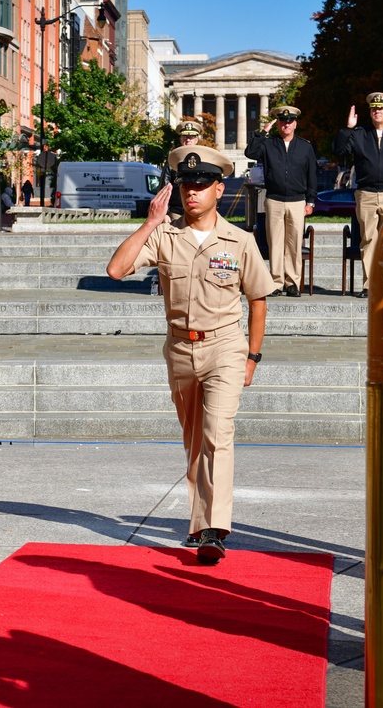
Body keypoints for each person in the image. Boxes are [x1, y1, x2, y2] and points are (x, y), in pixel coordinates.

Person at [106, 145, 273, 565]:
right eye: (186, 184)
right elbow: (116, 270)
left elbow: (258, 299)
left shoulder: (239, 240)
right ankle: (200, 523)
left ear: (220, 188)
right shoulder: (165, 235)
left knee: (218, 434)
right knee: (195, 439)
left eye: (201, 184)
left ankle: (214, 529)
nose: (192, 192)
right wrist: (150, 223)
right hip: (180, 347)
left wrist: (253, 356)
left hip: (225, 346)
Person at [332, 92, 383, 298]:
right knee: (368, 240)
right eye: (373, 108)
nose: (377, 111)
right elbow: (339, 150)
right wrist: (348, 129)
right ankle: (370, 285)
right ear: (370, 112)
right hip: (366, 194)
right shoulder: (360, 134)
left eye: (380, 108)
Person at [244, 105, 317, 297]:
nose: (286, 124)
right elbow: (250, 153)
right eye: (283, 121)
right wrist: (262, 133)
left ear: (295, 124)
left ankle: (292, 282)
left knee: (293, 243)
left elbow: (312, 176)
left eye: (289, 121)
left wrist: (311, 201)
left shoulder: (305, 146)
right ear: (278, 125)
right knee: (275, 243)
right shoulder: (269, 144)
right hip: (274, 199)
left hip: (297, 201)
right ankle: (276, 282)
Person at [158, 117, 204, 221]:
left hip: (198, 211)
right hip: (176, 212)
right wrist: (164, 213)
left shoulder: (204, 158)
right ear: (180, 139)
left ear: (196, 139)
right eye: (185, 137)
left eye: (191, 137)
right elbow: (164, 188)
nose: (188, 140)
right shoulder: (173, 158)